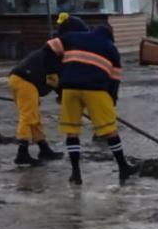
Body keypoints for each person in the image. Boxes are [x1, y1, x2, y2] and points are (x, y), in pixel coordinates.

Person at [57, 18, 139, 185]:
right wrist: (112, 100)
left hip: (70, 88)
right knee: (110, 130)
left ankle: (76, 173)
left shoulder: (76, 38)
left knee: (72, 130)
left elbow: (52, 50)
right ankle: (123, 167)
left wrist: (59, 87)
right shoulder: (110, 48)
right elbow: (114, 79)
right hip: (95, 89)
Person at [7, 21, 69, 167]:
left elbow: (53, 80)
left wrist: (61, 94)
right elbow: (54, 80)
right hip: (25, 81)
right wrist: (62, 95)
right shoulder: (54, 58)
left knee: (34, 117)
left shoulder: (49, 54)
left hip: (21, 81)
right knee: (28, 116)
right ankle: (22, 153)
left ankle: (44, 149)